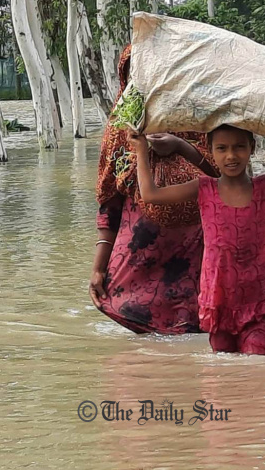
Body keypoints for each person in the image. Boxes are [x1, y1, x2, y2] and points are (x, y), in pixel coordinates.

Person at [129, 97, 265, 355]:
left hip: (256, 306)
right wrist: (141, 150)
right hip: (218, 303)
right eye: (222, 148)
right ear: (211, 151)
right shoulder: (204, 189)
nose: (231, 155)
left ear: (252, 148)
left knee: (257, 359)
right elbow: (151, 194)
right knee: (224, 373)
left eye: (239, 147)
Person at [91, 45, 219, 335]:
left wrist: (180, 146)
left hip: (195, 254)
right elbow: (109, 199)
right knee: (144, 354)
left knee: (195, 334)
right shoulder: (120, 126)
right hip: (138, 261)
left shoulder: (200, 116)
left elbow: (227, 177)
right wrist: (98, 267)